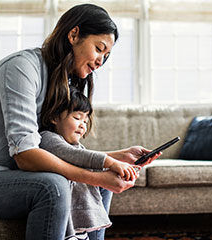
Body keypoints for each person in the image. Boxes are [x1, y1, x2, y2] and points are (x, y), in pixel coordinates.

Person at [0, 3, 160, 240]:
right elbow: (25, 155)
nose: (100, 62)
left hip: (8, 174)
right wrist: (96, 176)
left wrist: (116, 157)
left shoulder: (63, 81)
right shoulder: (22, 68)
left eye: (106, 56)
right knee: (52, 186)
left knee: (99, 176)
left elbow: (56, 147)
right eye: (99, 48)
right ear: (74, 35)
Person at [39, 86, 140, 238]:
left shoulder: (76, 145)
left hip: (80, 223)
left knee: (104, 177)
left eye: (85, 121)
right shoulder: (48, 138)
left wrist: (124, 165)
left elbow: (82, 155)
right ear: (54, 117)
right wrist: (111, 162)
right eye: (77, 118)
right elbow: (75, 155)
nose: (82, 125)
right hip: (67, 222)